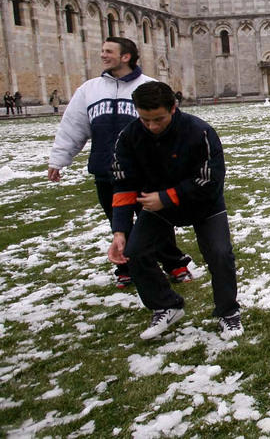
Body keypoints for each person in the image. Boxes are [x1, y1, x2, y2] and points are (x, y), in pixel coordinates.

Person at [48, 37, 192, 288]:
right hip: (107, 170)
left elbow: (171, 126)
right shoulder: (90, 90)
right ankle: (125, 267)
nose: (103, 55)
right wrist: (60, 159)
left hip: (147, 171)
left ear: (126, 56)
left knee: (157, 219)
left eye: (108, 51)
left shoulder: (150, 87)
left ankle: (174, 263)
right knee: (116, 220)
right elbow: (74, 125)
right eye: (102, 50)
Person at [107, 81, 243, 340]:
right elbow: (123, 183)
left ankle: (228, 312)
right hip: (157, 206)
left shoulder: (199, 132)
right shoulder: (129, 137)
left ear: (173, 107)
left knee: (220, 254)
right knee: (134, 253)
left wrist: (167, 197)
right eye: (145, 120)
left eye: (158, 119)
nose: (152, 126)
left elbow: (210, 181)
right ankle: (165, 305)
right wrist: (120, 230)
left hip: (203, 205)